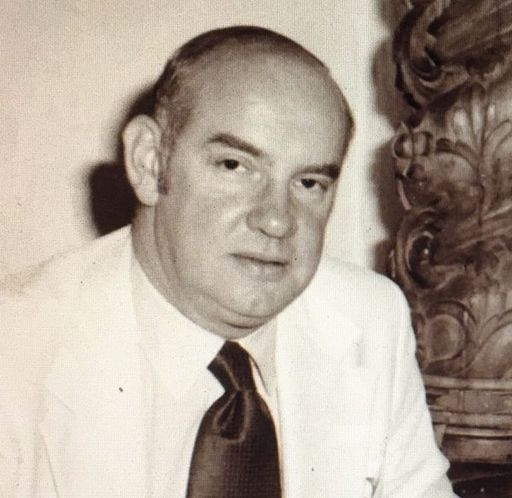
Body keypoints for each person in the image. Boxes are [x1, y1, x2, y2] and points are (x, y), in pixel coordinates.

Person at [0, 26, 456, 497]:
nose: (276, 220)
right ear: (149, 161)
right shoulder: (14, 347)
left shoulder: (370, 318)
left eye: (309, 183)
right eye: (234, 166)